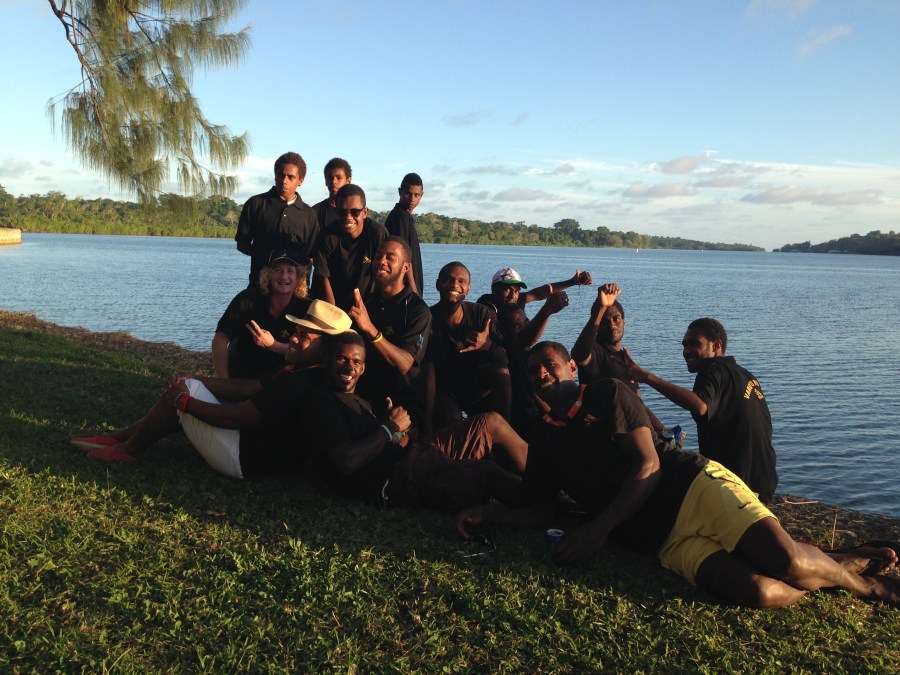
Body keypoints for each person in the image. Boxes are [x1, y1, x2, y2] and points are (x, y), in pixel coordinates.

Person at [455, 341, 900, 609]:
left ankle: (868, 587)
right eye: (533, 373)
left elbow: (648, 467)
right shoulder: (545, 436)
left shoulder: (607, 394)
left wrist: (597, 530)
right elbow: (539, 508)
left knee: (787, 562)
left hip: (694, 486)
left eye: (549, 364)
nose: (541, 374)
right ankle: (837, 562)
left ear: (573, 367)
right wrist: (486, 513)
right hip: (664, 540)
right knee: (762, 591)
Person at [72, 301, 352, 479]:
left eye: (304, 336)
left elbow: (238, 417)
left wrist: (183, 400)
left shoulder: (300, 382)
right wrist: (195, 378)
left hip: (244, 460)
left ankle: (128, 448)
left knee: (188, 391)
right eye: (296, 331)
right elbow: (247, 387)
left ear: (324, 350)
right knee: (192, 385)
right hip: (247, 445)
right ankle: (119, 437)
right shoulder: (297, 368)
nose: (292, 338)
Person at [302, 331, 526, 510]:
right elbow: (346, 462)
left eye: (356, 361)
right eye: (342, 358)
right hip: (399, 479)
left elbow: (386, 442)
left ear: (363, 368)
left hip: (415, 454)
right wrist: (389, 428)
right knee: (486, 473)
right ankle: (546, 508)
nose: (349, 366)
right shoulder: (323, 401)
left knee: (491, 423)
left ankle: (546, 476)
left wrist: (399, 432)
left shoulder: (360, 401)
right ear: (327, 360)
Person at [623, 317, 778, 502]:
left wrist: (646, 377)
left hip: (738, 485)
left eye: (694, 344)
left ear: (716, 345)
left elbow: (700, 405)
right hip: (764, 483)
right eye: (684, 345)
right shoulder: (744, 375)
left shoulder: (713, 369)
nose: (686, 351)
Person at [347, 237, 431, 427]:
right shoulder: (367, 303)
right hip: (364, 397)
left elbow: (404, 363)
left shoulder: (418, 311)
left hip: (402, 407)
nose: (381, 261)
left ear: (406, 267)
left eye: (390, 257)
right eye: (378, 256)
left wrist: (370, 329)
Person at [570, 282, 668, 438]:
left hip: (638, 435)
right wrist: (600, 309)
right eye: (604, 321)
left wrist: (662, 430)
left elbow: (635, 403)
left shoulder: (624, 357)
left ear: (624, 322)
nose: (612, 325)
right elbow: (579, 356)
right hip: (608, 437)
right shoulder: (596, 352)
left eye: (616, 319)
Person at [424, 261, 511, 432]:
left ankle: (505, 432)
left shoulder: (481, 314)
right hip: (445, 390)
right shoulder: (428, 318)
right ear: (437, 284)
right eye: (449, 279)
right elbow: (428, 371)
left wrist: (487, 345)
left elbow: (504, 358)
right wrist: (426, 421)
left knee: (501, 373)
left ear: (468, 289)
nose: (455, 285)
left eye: (461, 281)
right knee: (453, 421)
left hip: (477, 385)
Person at [212, 250, 311, 379]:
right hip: (242, 378)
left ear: (299, 276)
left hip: (284, 382)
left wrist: (273, 345)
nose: (284, 276)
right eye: (278, 270)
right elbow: (220, 339)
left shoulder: (307, 308)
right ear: (268, 274)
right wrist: (224, 382)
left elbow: (310, 352)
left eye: (290, 271)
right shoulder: (246, 299)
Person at [234, 152, 319, 286]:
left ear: (300, 181)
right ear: (275, 175)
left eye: (291, 177)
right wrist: (267, 256)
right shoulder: (256, 204)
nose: (284, 181)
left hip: (296, 291)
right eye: (280, 175)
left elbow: (312, 255)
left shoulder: (308, 214)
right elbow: (242, 244)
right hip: (260, 286)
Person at [496, 292, 569, 439]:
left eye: (526, 323)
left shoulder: (528, 357)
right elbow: (525, 339)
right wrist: (547, 310)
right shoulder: (506, 352)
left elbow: (535, 397)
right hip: (521, 432)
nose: (524, 328)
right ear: (503, 332)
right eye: (517, 326)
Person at [313, 184, 388, 311]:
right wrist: (334, 316)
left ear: (365, 212)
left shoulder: (377, 234)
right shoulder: (327, 237)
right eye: (342, 212)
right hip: (336, 304)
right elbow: (323, 277)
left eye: (355, 212)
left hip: (369, 306)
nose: (348, 217)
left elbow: (386, 275)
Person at [475, 267, 592, 314]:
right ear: (494, 289)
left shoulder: (516, 301)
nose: (512, 295)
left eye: (516, 291)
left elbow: (539, 293)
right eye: (507, 289)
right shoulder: (484, 305)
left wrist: (573, 282)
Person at [383, 173, 424, 296]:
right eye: (408, 193)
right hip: (403, 290)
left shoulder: (405, 217)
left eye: (416, 195)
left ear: (421, 195)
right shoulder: (400, 217)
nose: (412, 199)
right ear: (400, 192)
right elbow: (403, 258)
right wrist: (413, 291)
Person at [312, 157, 352, 232]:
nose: (334, 181)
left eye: (339, 178)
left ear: (348, 181)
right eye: (330, 177)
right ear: (326, 181)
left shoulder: (356, 214)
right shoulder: (314, 212)